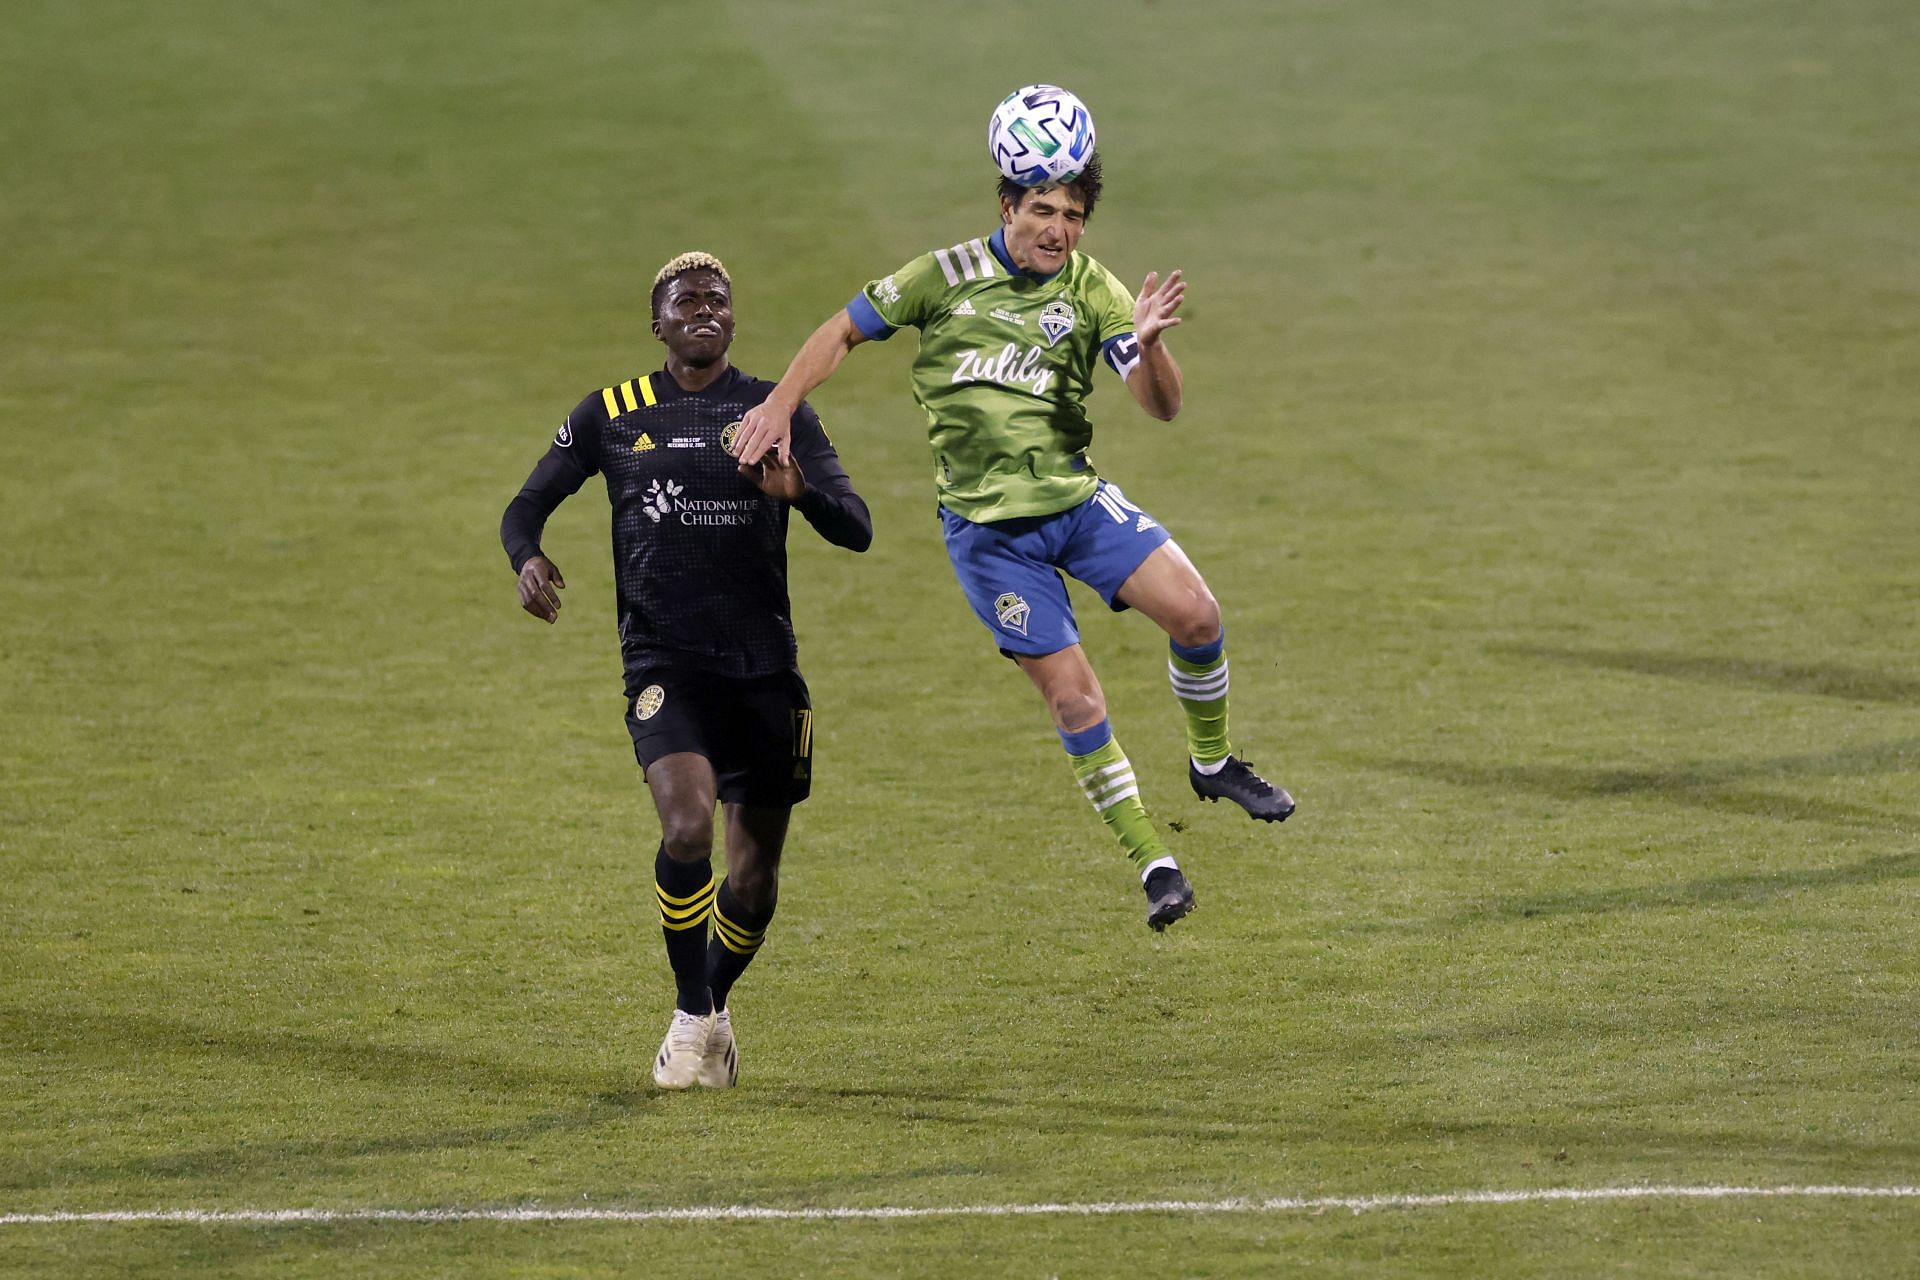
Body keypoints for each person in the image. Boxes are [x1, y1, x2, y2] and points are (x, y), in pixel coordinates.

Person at [733, 157, 1292, 933]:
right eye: (1042, 211)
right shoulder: (942, 276)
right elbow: (841, 331)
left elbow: (1161, 408)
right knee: (1075, 698)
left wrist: (1152, 344)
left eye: (1071, 217)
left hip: (1074, 501)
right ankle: (1155, 866)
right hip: (991, 539)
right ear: (1006, 207)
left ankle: (1213, 763)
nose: (1057, 231)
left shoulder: (1097, 291)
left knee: (1198, 616)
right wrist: (780, 404)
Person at [500, 251, 871, 1089]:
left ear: (732, 321)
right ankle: (691, 1013)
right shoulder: (612, 413)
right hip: (664, 661)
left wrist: (797, 491)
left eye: (719, 300)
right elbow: (525, 505)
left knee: (755, 878)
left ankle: (713, 1007)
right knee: (686, 829)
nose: (705, 310)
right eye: (687, 300)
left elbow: (857, 526)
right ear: (658, 322)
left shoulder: (776, 410)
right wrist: (527, 558)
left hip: (764, 672)